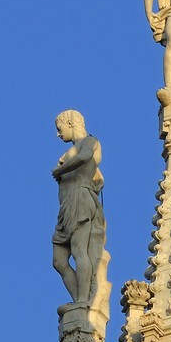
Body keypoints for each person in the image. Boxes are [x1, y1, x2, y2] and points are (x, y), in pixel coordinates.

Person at [51, 110, 105, 307]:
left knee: (79, 250)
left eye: (60, 128)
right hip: (66, 207)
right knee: (58, 261)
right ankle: (79, 300)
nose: (58, 134)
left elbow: (84, 157)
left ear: (71, 123)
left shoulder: (90, 141)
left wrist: (61, 170)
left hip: (79, 199)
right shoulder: (66, 153)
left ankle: (83, 301)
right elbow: (99, 179)